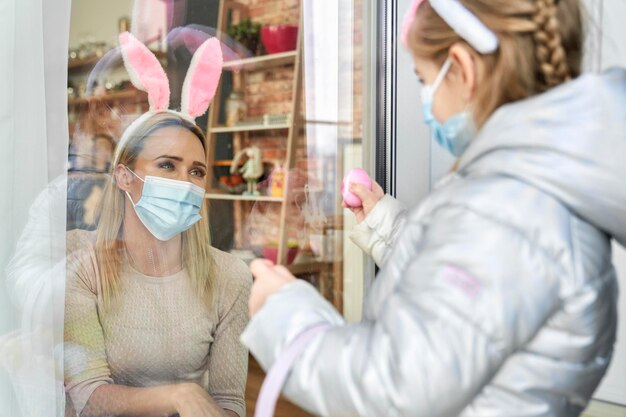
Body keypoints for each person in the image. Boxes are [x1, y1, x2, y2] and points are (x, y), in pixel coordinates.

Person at [241, 0, 626, 416]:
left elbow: (397, 387)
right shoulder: (532, 194)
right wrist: (383, 221)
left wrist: (286, 315)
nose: (427, 102)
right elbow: (469, 298)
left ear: (461, 69)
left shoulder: (503, 209)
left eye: (424, 79)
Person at [64, 32, 251, 417]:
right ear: (124, 176)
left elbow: (230, 403)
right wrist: (178, 396)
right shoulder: (85, 269)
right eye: (167, 165)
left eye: (196, 171)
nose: (185, 182)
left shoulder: (231, 277)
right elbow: (87, 396)